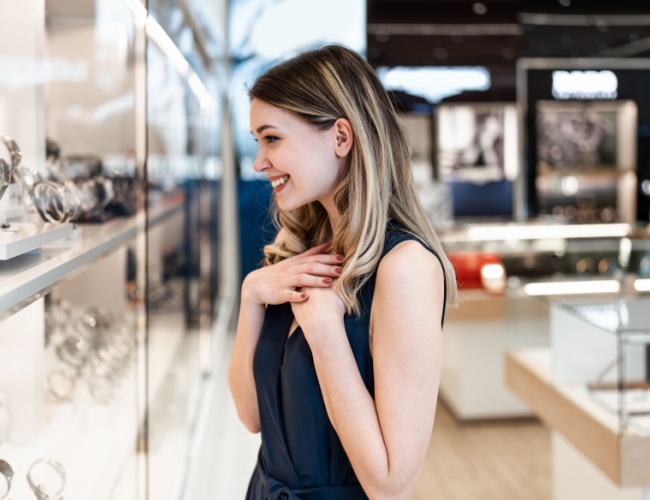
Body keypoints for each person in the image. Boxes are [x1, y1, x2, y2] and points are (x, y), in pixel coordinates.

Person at [228, 44, 457, 500]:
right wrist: (251, 296)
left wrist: (326, 333)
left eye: (272, 138)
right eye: (257, 141)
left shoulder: (405, 268)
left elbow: (392, 485)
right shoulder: (304, 256)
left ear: (340, 137)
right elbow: (252, 416)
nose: (259, 162)